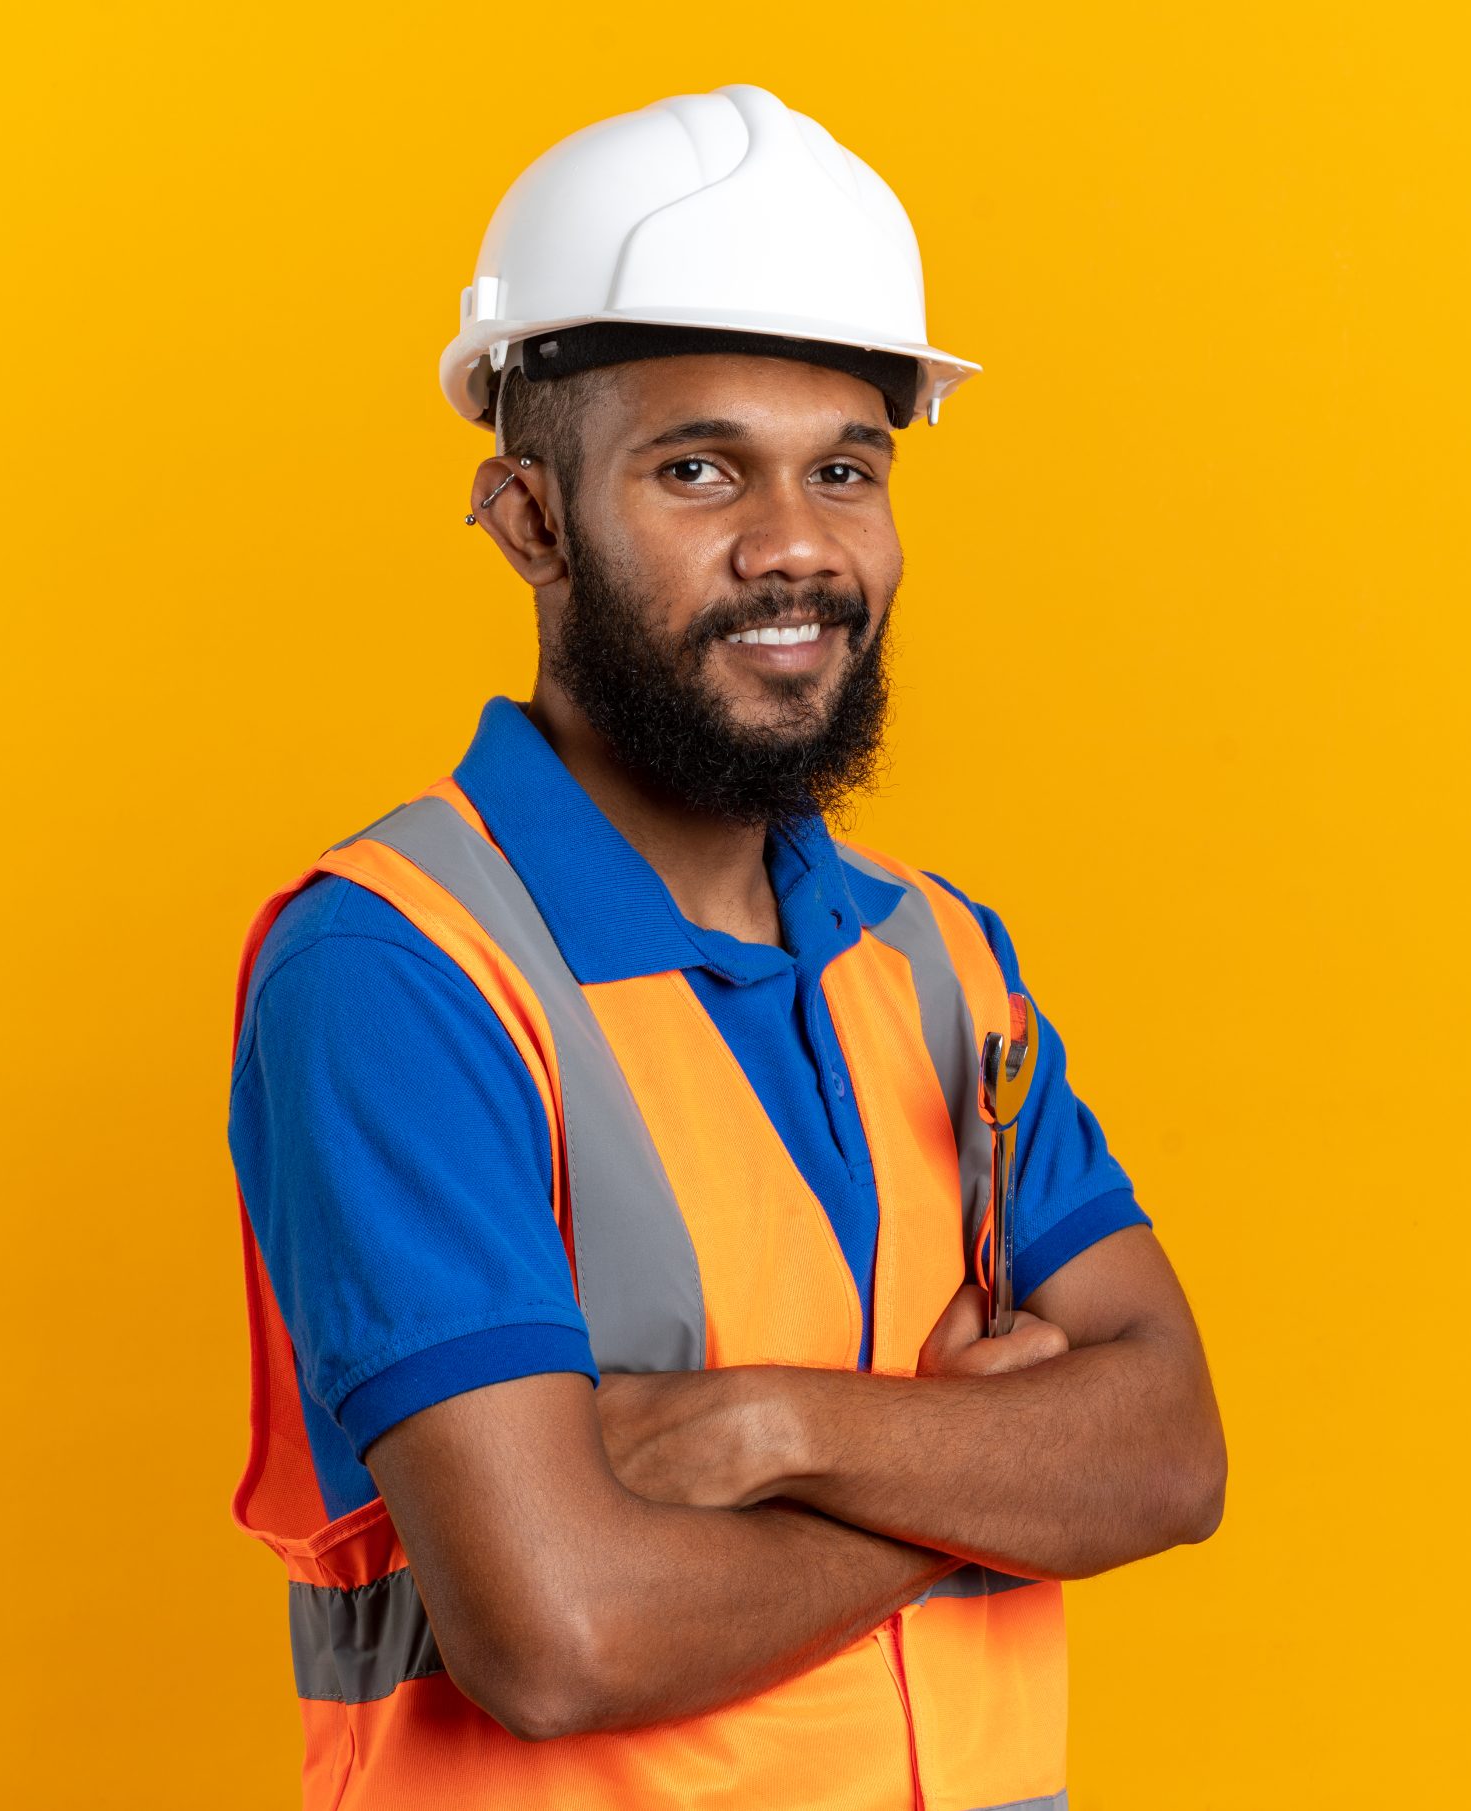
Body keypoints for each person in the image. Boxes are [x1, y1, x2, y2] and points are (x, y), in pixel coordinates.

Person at [224, 84, 1224, 1811]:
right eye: (700, 469)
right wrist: (967, 1501)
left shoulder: (939, 960)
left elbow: (1170, 1457)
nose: (795, 545)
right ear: (530, 516)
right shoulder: (398, 972)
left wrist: (781, 1436)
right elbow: (562, 1639)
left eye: (846, 469)